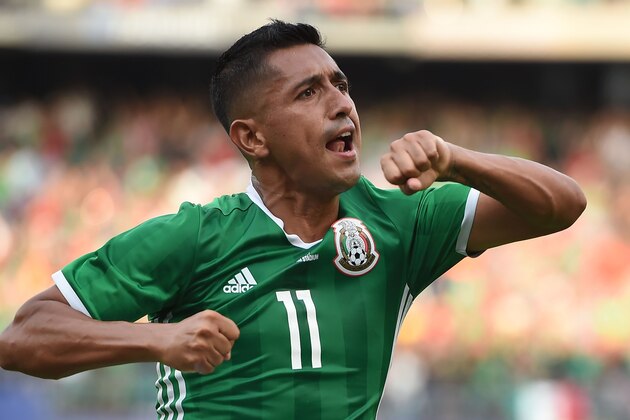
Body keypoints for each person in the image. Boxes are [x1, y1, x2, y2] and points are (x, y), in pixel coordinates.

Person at [0, 20, 586, 419]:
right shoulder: (195, 237)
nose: (341, 102)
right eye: (308, 93)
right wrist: (157, 338)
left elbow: (562, 204)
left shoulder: (400, 223)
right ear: (252, 137)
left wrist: (457, 160)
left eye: (340, 84)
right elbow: (24, 337)